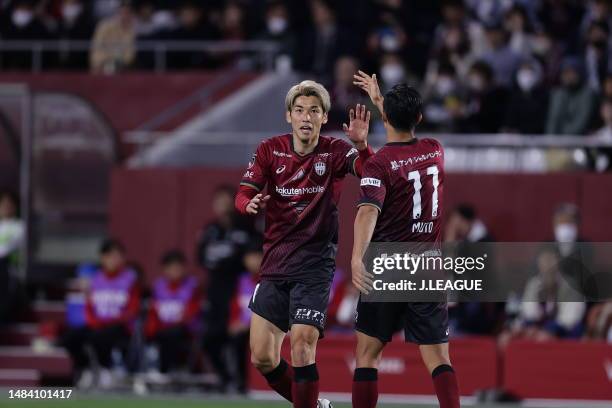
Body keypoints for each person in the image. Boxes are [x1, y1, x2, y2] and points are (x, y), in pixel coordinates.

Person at [234, 80, 373, 408]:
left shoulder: (336, 151)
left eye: (313, 110)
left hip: (314, 264)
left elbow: (370, 173)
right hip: (275, 264)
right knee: (262, 357)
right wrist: (248, 205)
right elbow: (243, 193)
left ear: (324, 117)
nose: (306, 116)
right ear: (288, 116)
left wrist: (364, 145)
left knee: (301, 345)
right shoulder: (270, 149)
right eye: (299, 110)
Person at [351, 72, 459, 408]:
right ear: (420, 118)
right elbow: (402, 151)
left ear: (384, 118)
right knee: (439, 358)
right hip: (427, 264)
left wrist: (357, 257)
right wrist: (382, 103)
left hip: (387, 266)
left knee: (368, 356)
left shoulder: (379, 164)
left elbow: (368, 211)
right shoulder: (434, 150)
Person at [198, 184, 255, 390]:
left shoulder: (246, 227)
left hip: (239, 290)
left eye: (225, 200)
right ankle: (223, 377)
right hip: (215, 291)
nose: (221, 205)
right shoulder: (210, 230)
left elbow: (247, 258)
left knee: (239, 339)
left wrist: (226, 261)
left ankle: (242, 381)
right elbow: (202, 257)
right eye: (218, 201)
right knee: (210, 338)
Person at [83, 239, 140, 388]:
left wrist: (111, 321)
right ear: (102, 258)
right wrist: (95, 322)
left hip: (121, 326)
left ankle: (106, 369)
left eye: (116, 256)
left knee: (105, 335)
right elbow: (88, 307)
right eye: (109, 256)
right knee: (75, 335)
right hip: (99, 325)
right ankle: (85, 369)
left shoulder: (130, 279)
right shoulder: (95, 280)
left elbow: (133, 310)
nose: (113, 260)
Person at [144, 250, 200, 374]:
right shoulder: (158, 287)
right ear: (165, 269)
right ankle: (159, 368)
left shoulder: (192, 287)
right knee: (156, 334)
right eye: (171, 267)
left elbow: (192, 312)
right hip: (163, 329)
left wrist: (177, 322)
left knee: (173, 333)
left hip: (185, 330)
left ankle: (174, 367)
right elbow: (153, 311)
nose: (175, 270)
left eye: (178, 267)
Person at [89, 1, 136, 73]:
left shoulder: (131, 31)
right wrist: (105, 61)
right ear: (117, 13)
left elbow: (129, 56)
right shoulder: (104, 26)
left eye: (127, 13)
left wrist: (118, 61)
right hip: (101, 66)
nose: (125, 16)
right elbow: (96, 50)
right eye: (123, 13)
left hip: (122, 68)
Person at [0, 190, 24, 324]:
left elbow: (6, 250)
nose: (5, 208)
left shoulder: (20, 227)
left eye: (9, 205)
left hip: (8, 271)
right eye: (3, 204)